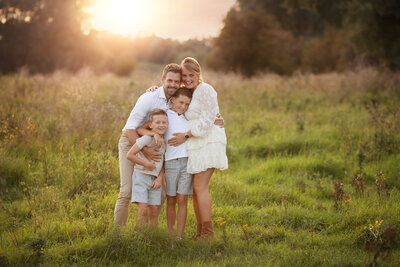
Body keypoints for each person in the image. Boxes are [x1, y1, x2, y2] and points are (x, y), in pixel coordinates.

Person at [114, 63, 181, 226]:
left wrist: (217, 117)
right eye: (169, 80)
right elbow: (130, 128)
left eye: (176, 82)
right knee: (127, 191)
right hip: (130, 142)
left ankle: (147, 231)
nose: (172, 84)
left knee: (161, 192)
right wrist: (145, 151)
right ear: (163, 79)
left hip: (156, 147)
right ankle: (117, 236)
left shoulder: (174, 101)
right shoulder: (148, 98)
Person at [168, 57, 228, 239]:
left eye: (191, 75)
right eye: (184, 75)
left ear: (198, 73)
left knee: (200, 187)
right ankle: (200, 232)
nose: (187, 78)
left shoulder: (206, 89)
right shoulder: (188, 92)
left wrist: (186, 136)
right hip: (195, 143)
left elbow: (209, 118)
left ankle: (208, 234)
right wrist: (153, 89)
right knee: (195, 189)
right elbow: (173, 99)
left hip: (208, 141)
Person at [138, 88, 193, 238]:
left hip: (187, 162)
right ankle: (170, 235)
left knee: (182, 200)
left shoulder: (188, 117)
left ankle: (179, 237)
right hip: (170, 163)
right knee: (171, 199)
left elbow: (203, 124)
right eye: (181, 102)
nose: (183, 106)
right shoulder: (165, 114)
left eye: (187, 104)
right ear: (173, 100)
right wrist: (155, 134)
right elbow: (141, 128)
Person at [127, 109, 168, 226]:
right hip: (141, 176)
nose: (161, 125)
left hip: (155, 179)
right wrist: (146, 164)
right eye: (158, 122)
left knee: (154, 210)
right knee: (143, 209)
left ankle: (152, 235)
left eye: (164, 122)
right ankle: (140, 234)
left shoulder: (164, 141)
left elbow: (163, 161)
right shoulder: (146, 139)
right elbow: (129, 155)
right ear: (150, 125)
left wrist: (160, 177)